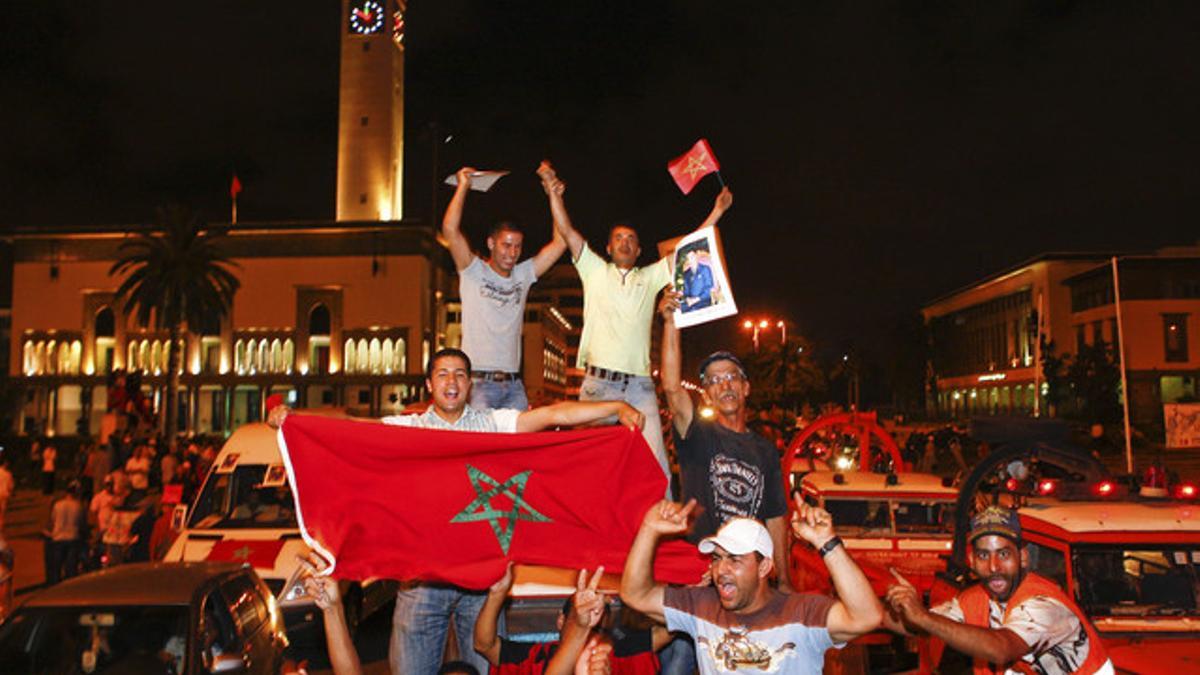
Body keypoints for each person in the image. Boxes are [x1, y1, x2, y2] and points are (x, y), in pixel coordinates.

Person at [271, 347, 645, 675]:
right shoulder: (408, 429)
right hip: (422, 585)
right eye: (443, 373)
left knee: (481, 669)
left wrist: (615, 407)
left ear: (470, 385)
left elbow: (551, 416)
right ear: (430, 384)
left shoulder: (492, 426)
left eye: (460, 374)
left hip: (481, 586)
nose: (452, 381)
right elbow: (353, 430)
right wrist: (293, 421)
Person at [545, 160, 734, 481]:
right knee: (585, 464)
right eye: (618, 237)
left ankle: (663, 528)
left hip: (639, 388)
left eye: (631, 238)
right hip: (597, 386)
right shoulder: (593, 269)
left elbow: (689, 249)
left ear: (638, 250)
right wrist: (553, 192)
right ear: (608, 247)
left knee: (657, 465)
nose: (625, 242)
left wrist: (717, 211)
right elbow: (567, 231)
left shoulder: (650, 277)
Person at [620, 499, 882, 674]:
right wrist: (649, 529)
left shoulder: (802, 613)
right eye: (717, 558)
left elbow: (867, 617)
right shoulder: (701, 605)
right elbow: (635, 594)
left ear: (764, 567)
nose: (721, 569)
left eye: (735, 559)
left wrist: (827, 543)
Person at [884, 506, 1113, 674]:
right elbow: (915, 625)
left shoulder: (1045, 605)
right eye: (984, 555)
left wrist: (922, 617)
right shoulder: (975, 600)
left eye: (1003, 554)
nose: (994, 567)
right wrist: (888, 607)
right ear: (972, 561)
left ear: (1023, 557)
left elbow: (1001, 648)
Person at [441, 165, 568, 410]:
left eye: (517, 247)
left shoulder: (523, 274)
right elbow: (450, 230)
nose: (512, 253)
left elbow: (561, 242)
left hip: (513, 386)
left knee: (519, 447)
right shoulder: (473, 270)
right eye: (506, 245)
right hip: (479, 384)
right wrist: (463, 188)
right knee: (482, 448)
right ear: (490, 243)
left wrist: (554, 194)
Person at [475, 563, 668, 673]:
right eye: (578, 614)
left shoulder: (617, 649)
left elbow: (665, 631)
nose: (590, 618)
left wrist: (683, 596)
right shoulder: (534, 654)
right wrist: (496, 595)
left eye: (598, 616)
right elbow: (484, 645)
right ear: (561, 620)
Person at [44, 481, 86, 584]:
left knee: (56, 567)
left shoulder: (58, 505)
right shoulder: (78, 506)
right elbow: (81, 524)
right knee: (71, 568)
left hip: (58, 538)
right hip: (73, 537)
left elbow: (52, 521)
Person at [0, 456, 13, 531]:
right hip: (4, 494)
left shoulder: (8, 474)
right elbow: (11, 486)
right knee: (2, 513)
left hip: (3, 494)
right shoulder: (8, 474)